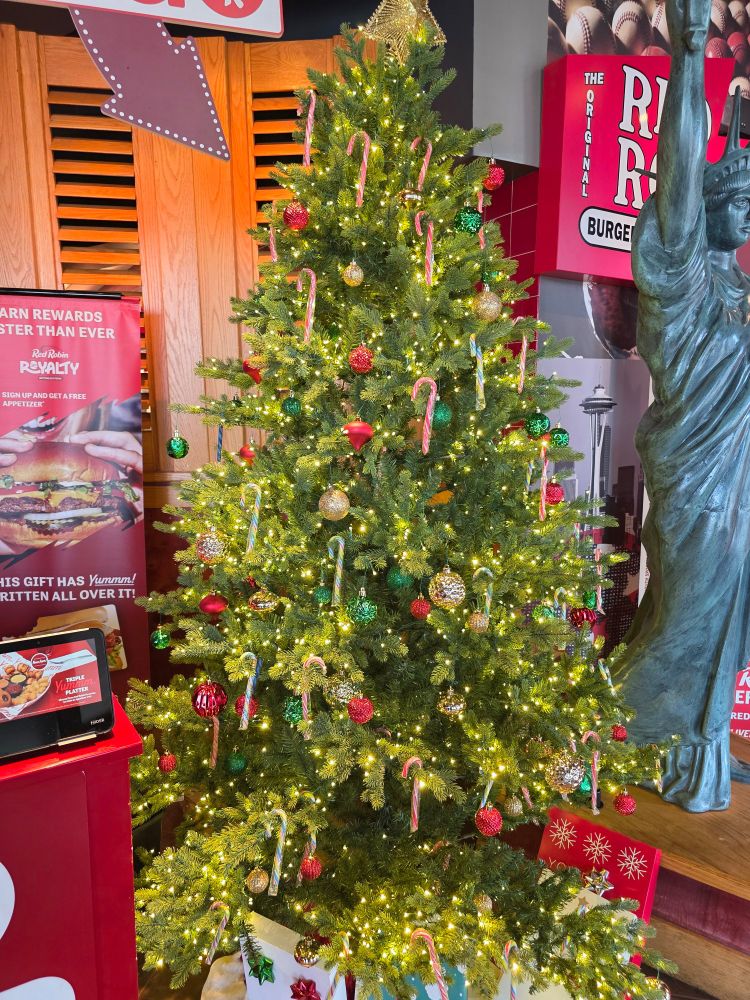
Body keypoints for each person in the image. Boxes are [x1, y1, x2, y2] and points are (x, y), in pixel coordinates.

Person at [614, 0, 750, 811]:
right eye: (723, 193)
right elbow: (675, 179)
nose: (741, 205)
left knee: (725, 616)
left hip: (739, 481)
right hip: (696, 482)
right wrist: (691, 52)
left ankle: (696, 743)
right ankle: (604, 729)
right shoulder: (681, 278)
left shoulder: (738, 290)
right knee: (682, 621)